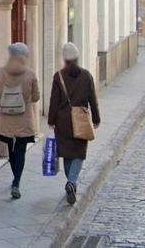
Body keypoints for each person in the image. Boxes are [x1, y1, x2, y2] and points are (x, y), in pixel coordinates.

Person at [48, 42, 100, 206]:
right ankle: (72, 182)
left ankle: (71, 182)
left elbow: (54, 101)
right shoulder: (86, 75)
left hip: (63, 121)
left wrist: (51, 120)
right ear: (77, 58)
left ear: (64, 59)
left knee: (67, 153)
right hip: (81, 119)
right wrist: (96, 118)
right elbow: (93, 99)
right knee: (79, 153)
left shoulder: (59, 76)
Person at [0, 43, 40, 200]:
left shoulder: (0, 73)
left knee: (11, 150)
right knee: (21, 150)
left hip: (6, 118)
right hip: (24, 119)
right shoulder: (30, 74)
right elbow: (36, 96)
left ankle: (15, 179)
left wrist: (5, 100)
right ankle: (16, 182)